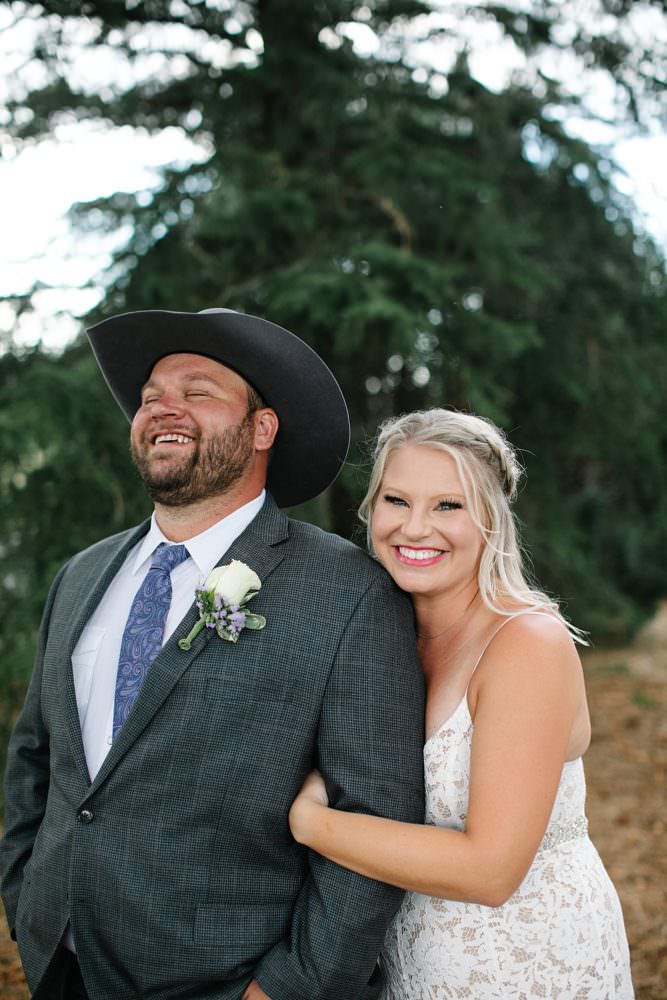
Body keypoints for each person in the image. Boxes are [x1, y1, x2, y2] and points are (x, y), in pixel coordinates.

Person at [0, 308, 425, 1000]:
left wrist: (286, 988)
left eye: (197, 391)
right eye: (149, 397)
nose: (163, 407)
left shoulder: (347, 594)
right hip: (62, 965)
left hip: (226, 980)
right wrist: (27, 904)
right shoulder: (78, 577)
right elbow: (35, 763)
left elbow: (376, 817)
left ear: (262, 428)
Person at [290, 407, 634, 999]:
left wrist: (312, 822)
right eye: (397, 501)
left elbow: (491, 869)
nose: (415, 527)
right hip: (414, 964)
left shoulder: (526, 644)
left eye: (447, 506)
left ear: (492, 522)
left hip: (528, 963)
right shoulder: (377, 639)